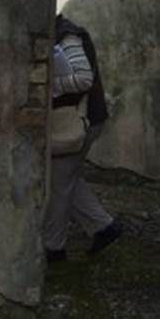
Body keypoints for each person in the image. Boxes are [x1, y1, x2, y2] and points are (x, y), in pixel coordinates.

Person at [42, 14, 122, 262]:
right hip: (83, 120)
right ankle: (103, 227)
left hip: (78, 122)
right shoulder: (63, 34)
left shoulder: (68, 36)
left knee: (59, 184)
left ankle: (54, 248)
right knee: (66, 180)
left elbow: (83, 79)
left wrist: (49, 84)